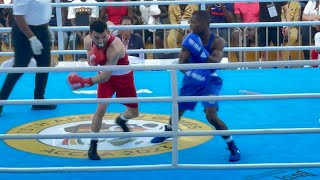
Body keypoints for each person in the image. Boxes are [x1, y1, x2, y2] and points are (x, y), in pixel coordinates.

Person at [150, 10, 241, 162]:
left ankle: (231, 144)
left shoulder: (218, 41)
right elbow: (182, 64)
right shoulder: (188, 38)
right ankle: (168, 130)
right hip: (192, 78)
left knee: (211, 116)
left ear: (206, 23)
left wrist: (198, 50)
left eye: (195, 22)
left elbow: (214, 63)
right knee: (178, 109)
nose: (191, 25)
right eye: (190, 22)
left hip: (210, 80)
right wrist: (193, 73)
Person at [67, 20, 139, 160]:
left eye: (103, 37)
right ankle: (93, 146)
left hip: (123, 77)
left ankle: (121, 120)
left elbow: (106, 76)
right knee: (100, 110)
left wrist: (85, 81)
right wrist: (92, 58)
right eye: (97, 38)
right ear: (90, 35)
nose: (100, 41)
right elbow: (90, 59)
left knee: (134, 113)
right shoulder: (88, 41)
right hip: (104, 79)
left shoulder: (115, 47)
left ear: (108, 32)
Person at [0, 0, 57, 116]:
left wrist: (45, 27)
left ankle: (38, 100)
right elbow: (18, 16)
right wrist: (32, 38)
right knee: (19, 67)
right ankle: (0, 102)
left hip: (42, 30)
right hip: (24, 32)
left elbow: (40, 11)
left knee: (44, 65)